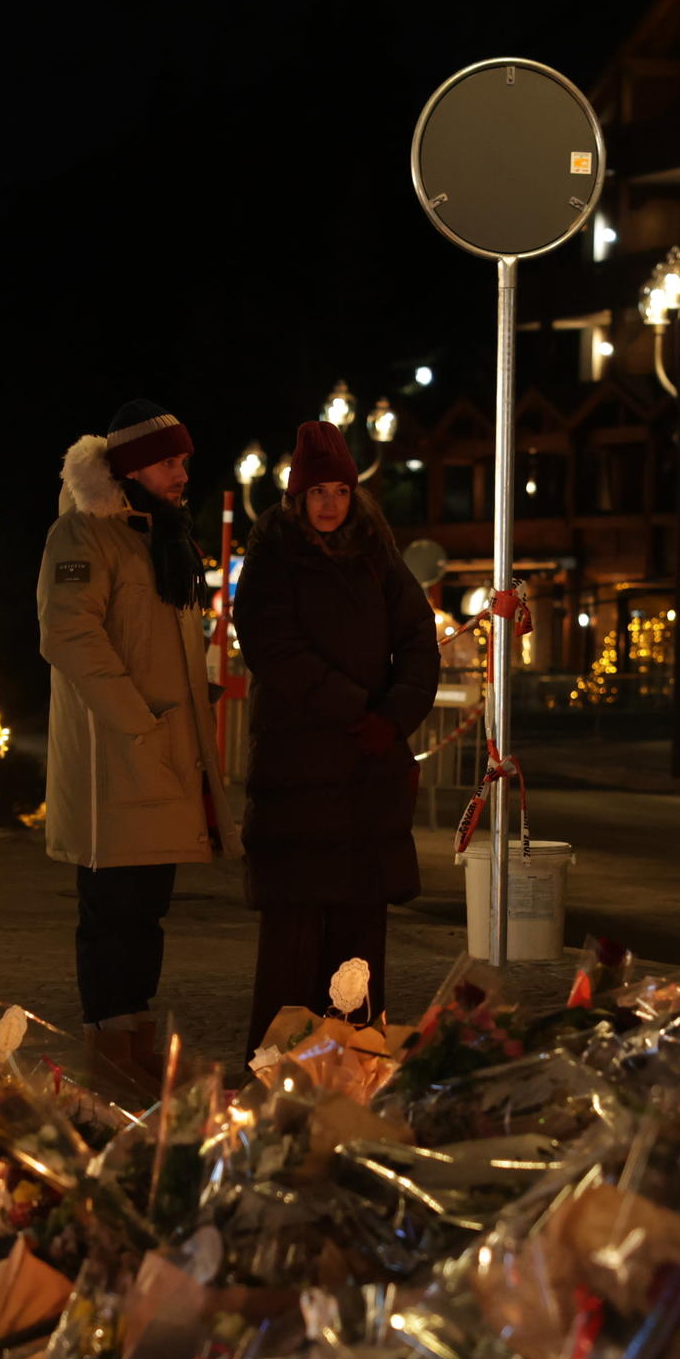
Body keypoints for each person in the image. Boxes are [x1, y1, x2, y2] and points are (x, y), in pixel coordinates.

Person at [38, 399, 239, 1077]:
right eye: (170, 460)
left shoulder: (162, 533)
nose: (184, 471)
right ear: (130, 467)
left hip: (162, 752)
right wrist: (136, 719)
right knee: (112, 911)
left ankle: (135, 1041)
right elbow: (69, 634)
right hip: (115, 756)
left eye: (185, 459)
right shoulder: (83, 534)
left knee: (147, 909)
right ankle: (109, 1049)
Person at [234, 420, 441, 1056]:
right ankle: (280, 1066)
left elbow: (417, 639)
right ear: (298, 497)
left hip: (366, 776)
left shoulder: (377, 554)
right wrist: (354, 708)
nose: (330, 502)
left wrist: (394, 715)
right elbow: (275, 649)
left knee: (358, 940)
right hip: (299, 773)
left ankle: (356, 1062)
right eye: (318, 490)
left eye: (341, 491)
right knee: (294, 940)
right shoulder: (272, 558)